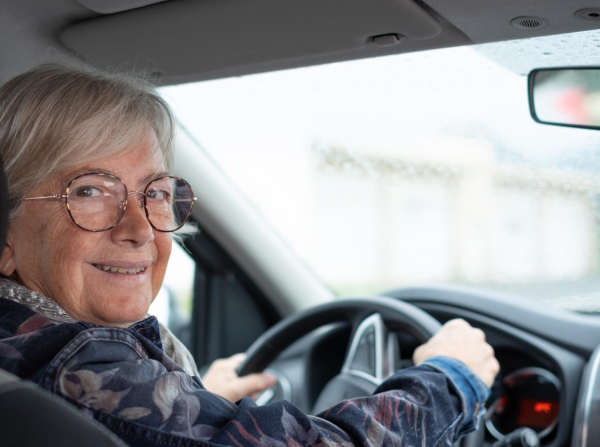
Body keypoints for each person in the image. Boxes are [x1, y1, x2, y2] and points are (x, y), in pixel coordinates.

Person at [0, 64, 499, 446]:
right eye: (89, 192)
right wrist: (450, 380)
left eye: (154, 192)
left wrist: (190, 400)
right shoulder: (70, 363)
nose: (139, 229)